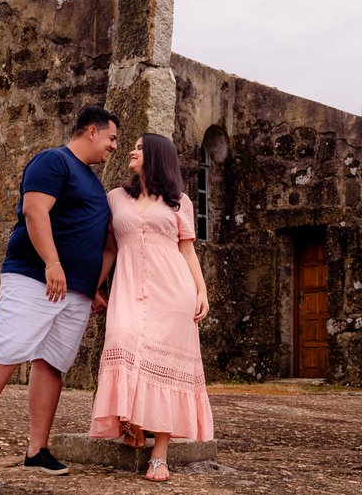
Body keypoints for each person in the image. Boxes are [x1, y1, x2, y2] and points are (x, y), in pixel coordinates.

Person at [0, 107, 120, 476]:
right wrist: (52, 263)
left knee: (51, 364)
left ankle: (37, 450)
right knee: (7, 350)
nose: (113, 147)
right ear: (92, 131)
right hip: (36, 277)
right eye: (112, 138)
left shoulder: (94, 184)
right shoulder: (53, 161)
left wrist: (92, 287)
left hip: (77, 292)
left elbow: (93, 239)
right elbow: (35, 212)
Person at [89, 133, 213, 482]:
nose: (132, 150)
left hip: (174, 292)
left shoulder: (179, 202)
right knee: (121, 342)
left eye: (141, 147)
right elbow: (111, 249)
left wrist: (201, 291)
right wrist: (94, 286)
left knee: (165, 364)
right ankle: (132, 419)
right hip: (128, 288)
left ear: (157, 156)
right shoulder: (115, 198)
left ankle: (160, 453)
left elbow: (187, 250)